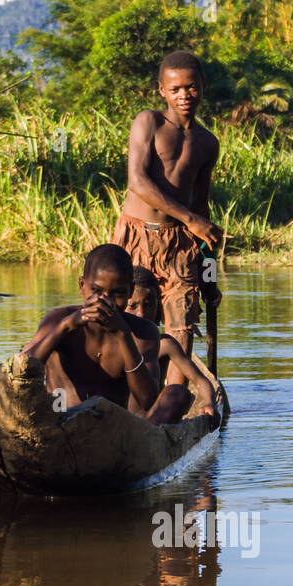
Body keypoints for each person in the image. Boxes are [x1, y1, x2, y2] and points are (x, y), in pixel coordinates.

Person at [111, 50, 224, 365]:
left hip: (180, 244)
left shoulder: (207, 143)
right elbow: (137, 181)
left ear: (202, 85)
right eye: (175, 89)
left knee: (181, 325)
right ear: (162, 90)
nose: (184, 96)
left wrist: (209, 277)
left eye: (191, 87)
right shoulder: (149, 121)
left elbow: (201, 209)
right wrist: (192, 219)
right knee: (127, 314)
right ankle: (128, 387)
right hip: (136, 237)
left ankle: (173, 397)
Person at [22, 245, 206, 427]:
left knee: (178, 395)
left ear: (130, 291)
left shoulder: (143, 332)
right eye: (96, 291)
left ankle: (138, 450)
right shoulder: (58, 319)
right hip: (62, 422)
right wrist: (66, 326)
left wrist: (123, 335)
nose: (105, 301)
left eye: (118, 293)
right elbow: (23, 369)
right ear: (82, 285)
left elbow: (147, 400)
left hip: (116, 431)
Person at [124, 267, 219, 428]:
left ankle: (152, 438)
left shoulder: (164, 344)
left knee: (178, 392)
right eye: (132, 306)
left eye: (148, 305)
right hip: (118, 421)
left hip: (152, 422)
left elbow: (199, 380)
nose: (141, 313)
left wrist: (210, 403)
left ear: (158, 308)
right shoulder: (110, 342)